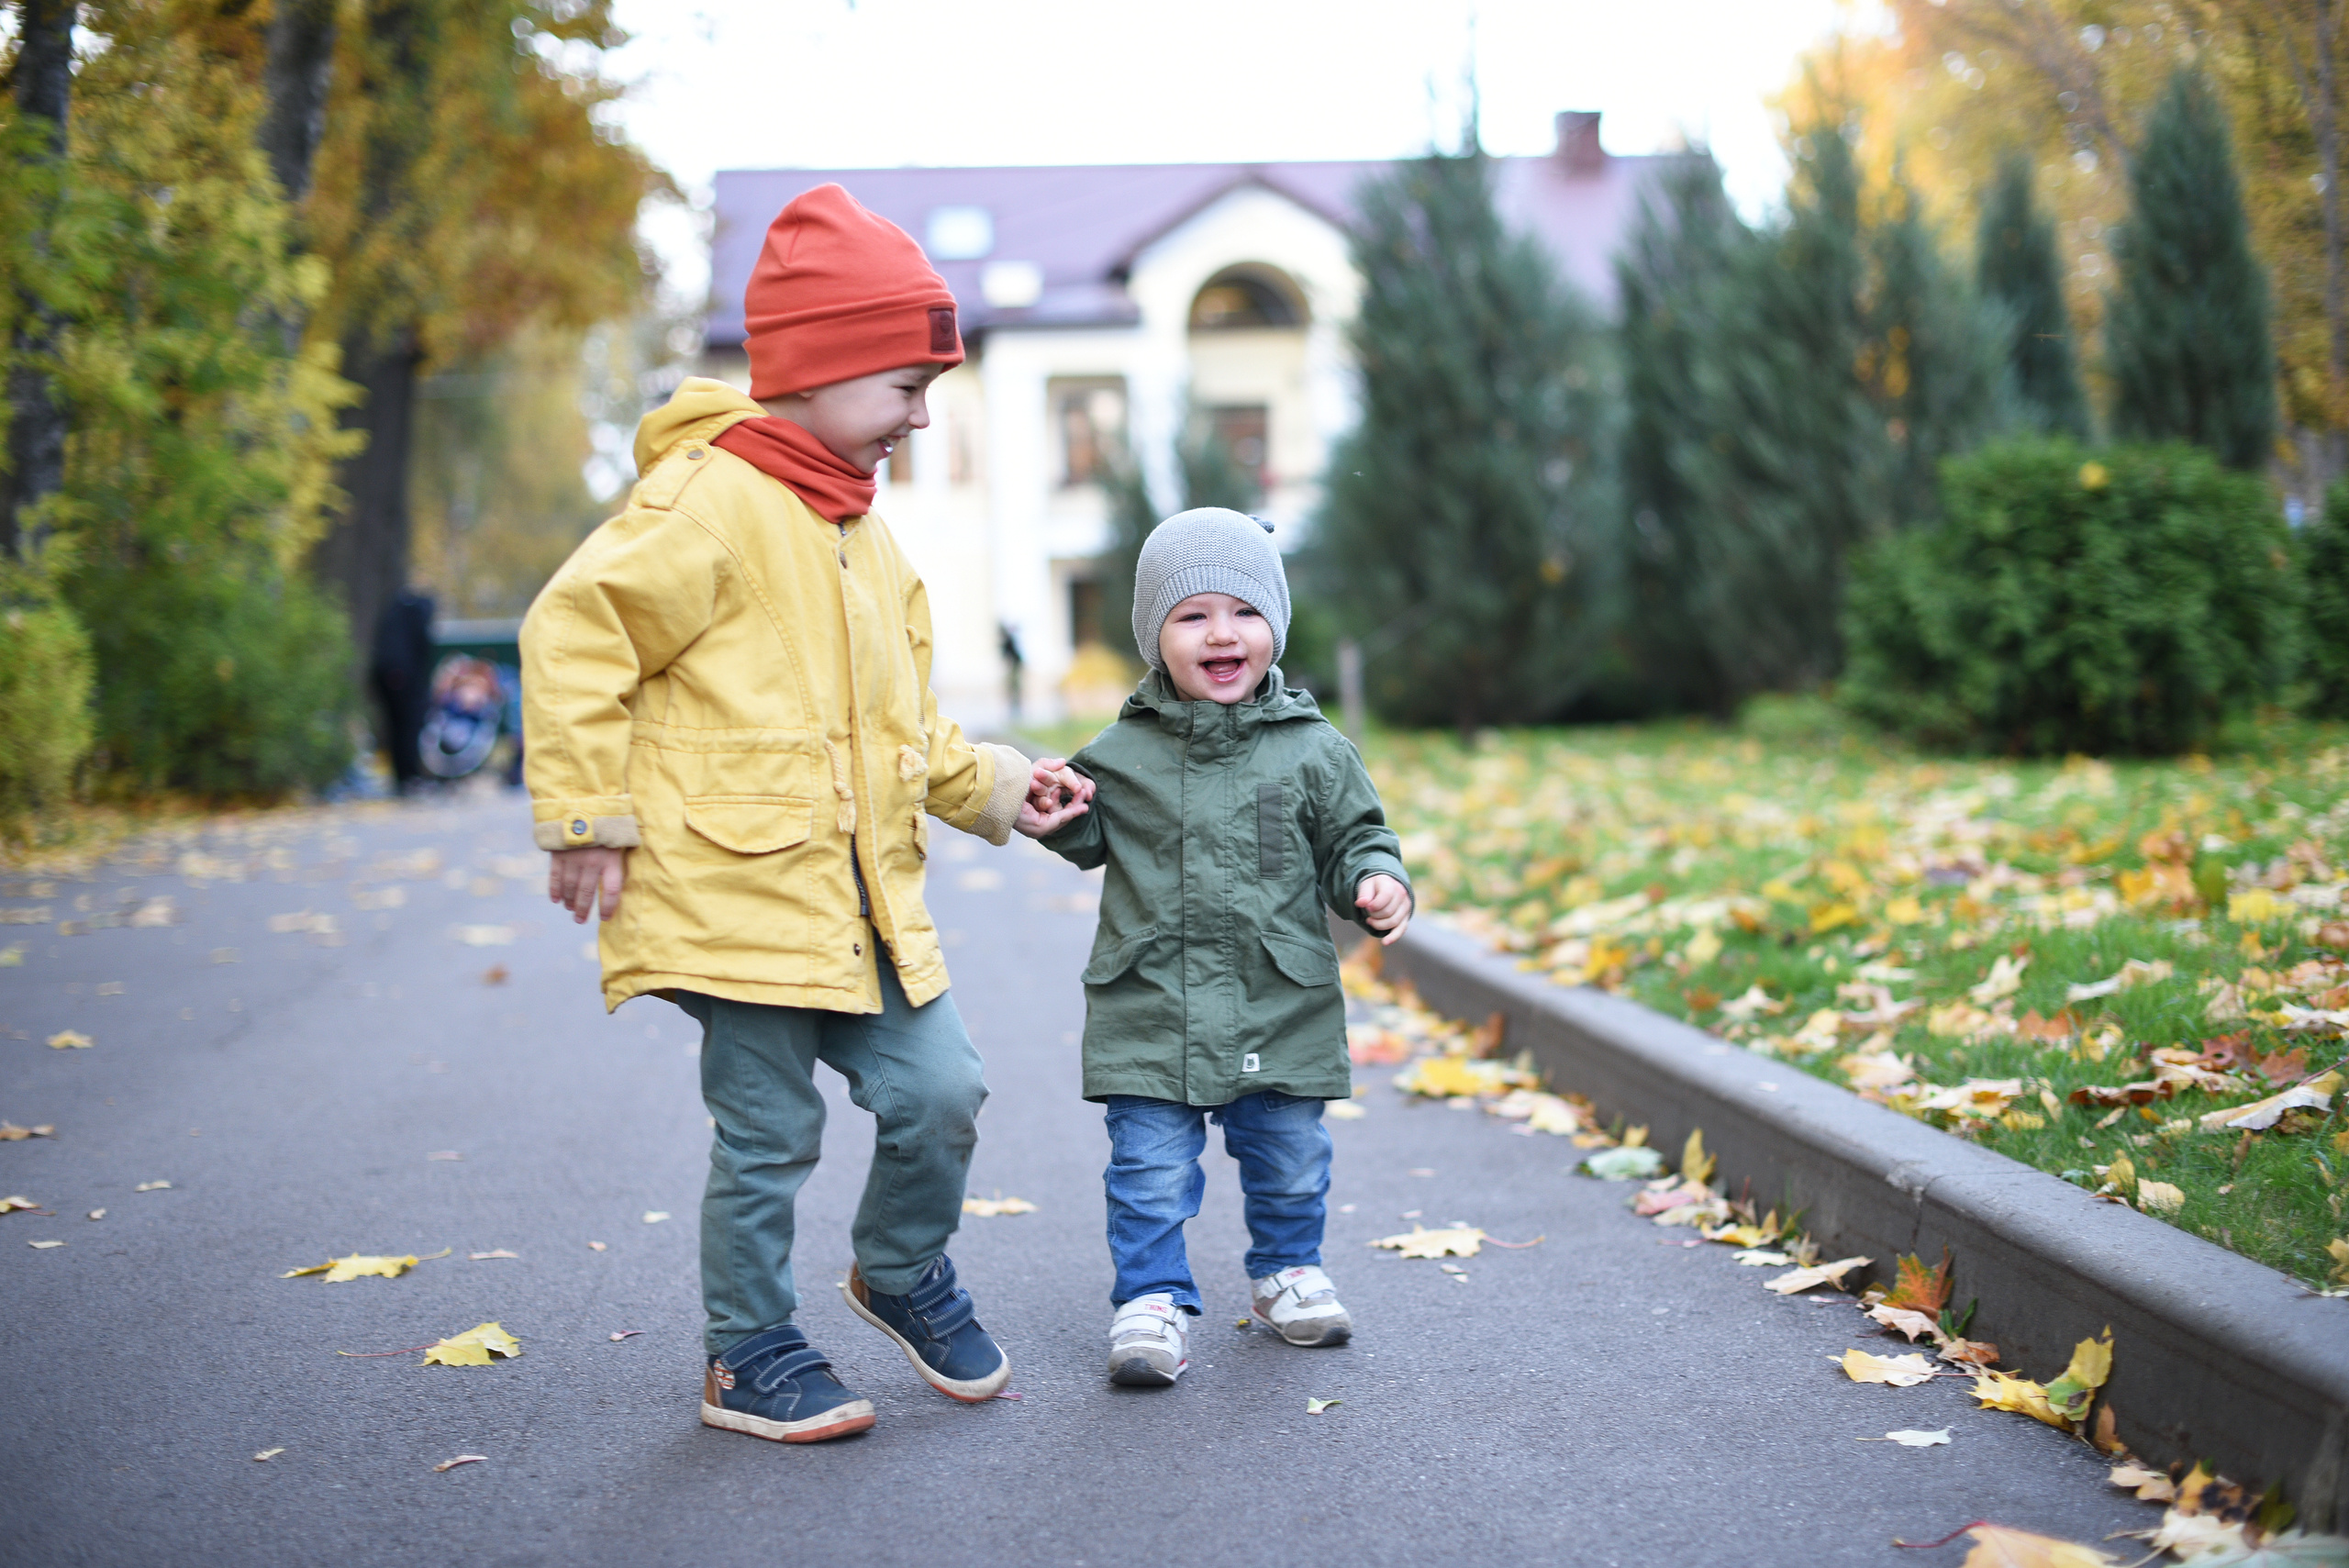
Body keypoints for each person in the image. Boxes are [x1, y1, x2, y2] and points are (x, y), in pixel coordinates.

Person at [519, 183, 1089, 1445]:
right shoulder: (704, 503)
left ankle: (896, 1269)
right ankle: (747, 1349)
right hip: (735, 890)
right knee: (768, 1133)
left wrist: (999, 782)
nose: (921, 415)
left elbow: (904, 729)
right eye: (903, 385)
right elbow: (577, 632)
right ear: (822, 372)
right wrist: (586, 815)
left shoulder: (866, 540)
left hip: (862, 902)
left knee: (943, 1090)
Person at [1036, 508, 1412, 1386]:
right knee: (1148, 1172)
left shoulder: (1316, 750)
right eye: (1191, 615)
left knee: (1289, 1159)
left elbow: (1357, 836)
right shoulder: (1121, 753)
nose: (1222, 633)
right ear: (1153, 636)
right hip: (1150, 1004)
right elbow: (1087, 836)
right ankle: (1152, 1297)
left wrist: (1375, 880)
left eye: (1243, 611)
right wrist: (1058, 814)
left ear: (1273, 625)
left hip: (1279, 1001)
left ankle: (1285, 1271)